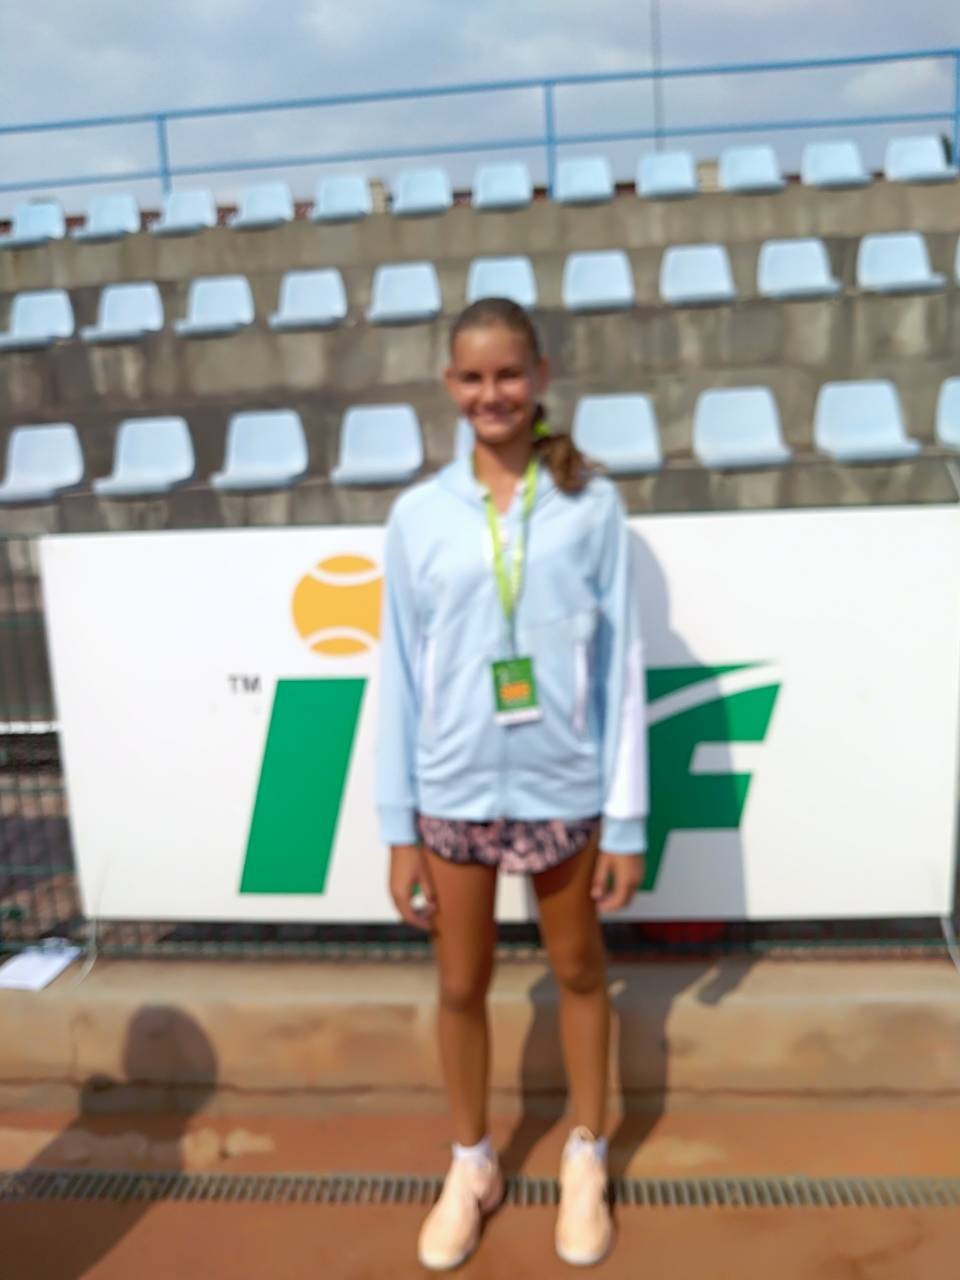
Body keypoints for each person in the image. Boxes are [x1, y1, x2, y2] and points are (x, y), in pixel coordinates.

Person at [377, 297, 647, 1270]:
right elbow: (398, 673)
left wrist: (625, 817)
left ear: (540, 376)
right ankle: (472, 1163)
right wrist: (398, 826)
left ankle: (585, 1153)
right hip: (451, 791)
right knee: (460, 982)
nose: (491, 393)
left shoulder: (592, 506)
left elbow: (620, 667)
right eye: (472, 376)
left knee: (578, 971)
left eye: (508, 373)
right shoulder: (417, 515)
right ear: (450, 385)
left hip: (562, 787)